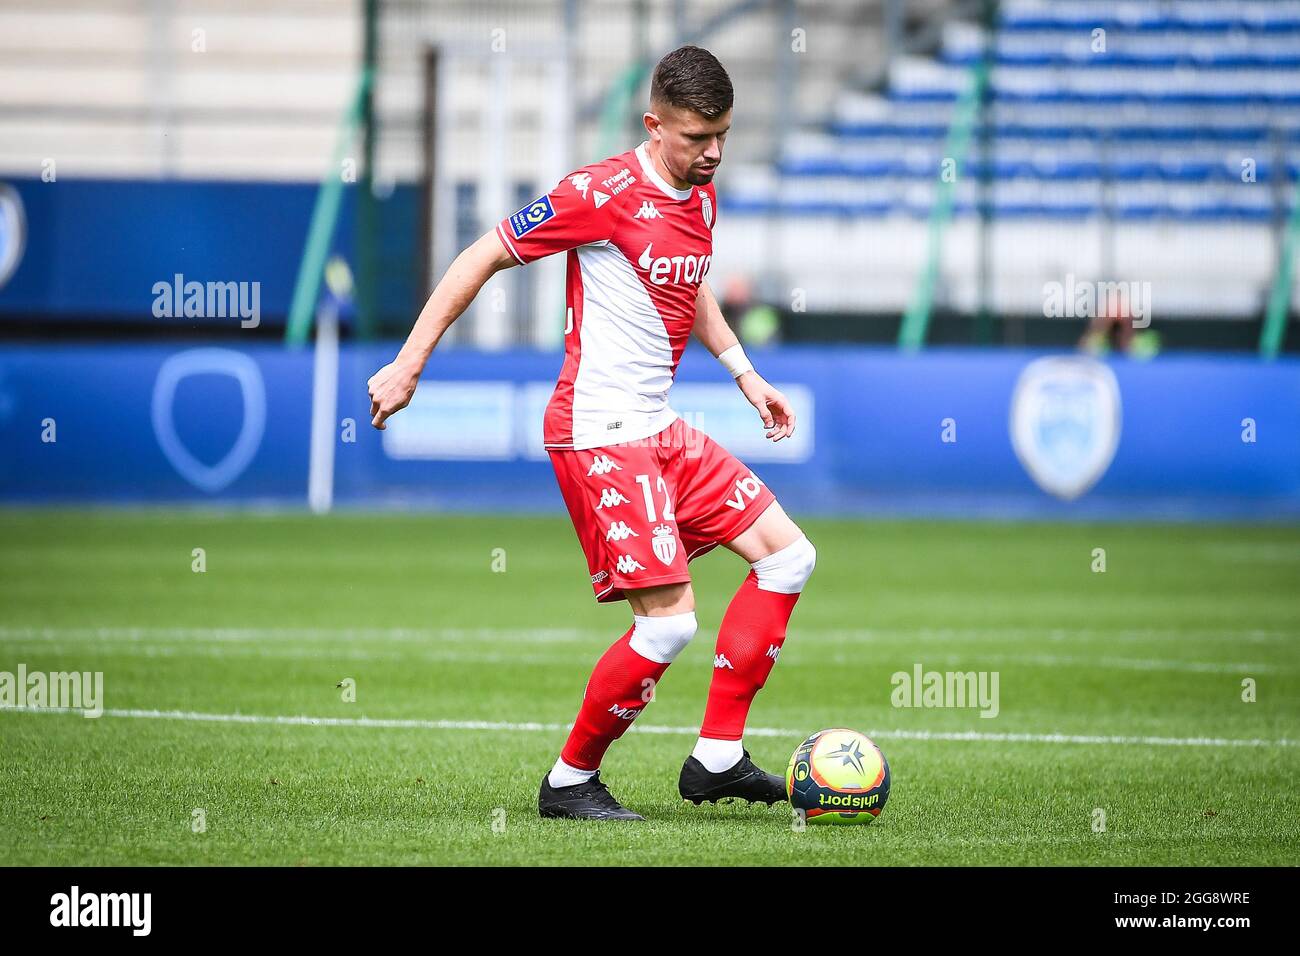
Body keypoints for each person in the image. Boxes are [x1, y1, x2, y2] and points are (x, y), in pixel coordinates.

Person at [367, 45, 816, 821]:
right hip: (599, 430)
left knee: (789, 557)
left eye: (722, 136)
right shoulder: (599, 192)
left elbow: (692, 282)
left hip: (660, 427)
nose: (712, 152)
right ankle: (570, 781)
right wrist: (410, 364)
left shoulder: (700, 195)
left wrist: (744, 372)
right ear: (653, 125)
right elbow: (482, 253)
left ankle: (716, 758)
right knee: (672, 623)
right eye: (694, 137)